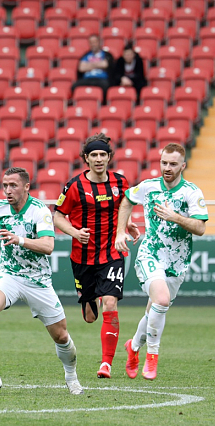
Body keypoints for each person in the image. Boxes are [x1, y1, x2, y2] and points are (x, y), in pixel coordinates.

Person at [0, 167, 84, 395]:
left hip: (38, 280)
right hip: (9, 273)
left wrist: (19, 240)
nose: (8, 190)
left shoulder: (39, 211)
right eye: (5, 185)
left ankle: (71, 376)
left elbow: (48, 246)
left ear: (26, 187)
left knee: (61, 336)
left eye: (13, 185)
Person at [115, 143, 208, 380]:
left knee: (154, 310)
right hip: (150, 254)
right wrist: (120, 231)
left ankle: (133, 346)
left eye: (173, 164)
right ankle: (152, 356)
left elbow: (200, 228)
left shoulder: (191, 192)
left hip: (177, 262)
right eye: (164, 163)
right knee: (162, 300)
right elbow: (126, 200)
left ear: (183, 166)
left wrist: (175, 217)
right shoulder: (149, 186)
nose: (167, 167)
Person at [53, 134, 140, 379]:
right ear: (86, 158)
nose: (99, 159)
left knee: (110, 303)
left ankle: (106, 364)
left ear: (109, 157)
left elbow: (124, 208)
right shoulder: (74, 186)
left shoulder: (121, 182)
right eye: (94, 155)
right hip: (82, 257)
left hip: (112, 252)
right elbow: (57, 216)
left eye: (103, 154)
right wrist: (74, 232)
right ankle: (92, 300)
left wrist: (127, 225)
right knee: (91, 317)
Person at [71, 34, 114, 103]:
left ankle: (103, 104)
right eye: (91, 42)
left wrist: (88, 65)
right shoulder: (86, 55)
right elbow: (81, 68)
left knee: (105, 86)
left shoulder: (106, 54)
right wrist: (98, 64)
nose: (93, 44)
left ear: (99, 42)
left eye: (94, 42)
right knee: (75, 86)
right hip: (87, 78)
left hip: (101, 78)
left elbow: (105, 64)